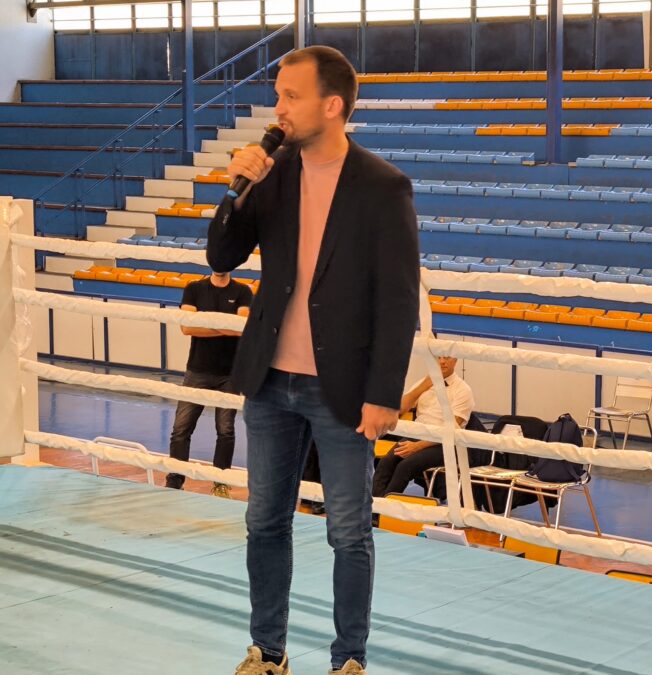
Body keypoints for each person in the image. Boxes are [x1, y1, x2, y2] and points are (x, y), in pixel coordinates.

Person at [206, 45, 420, 675]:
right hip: (270, 379)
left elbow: (398, 299)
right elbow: (221, 257)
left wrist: (384, 394)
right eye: (278, 95)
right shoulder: (273, 174)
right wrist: (235, 193)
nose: (278, 109)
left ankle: (348, 660)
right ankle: (267, 653)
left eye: (290, 96)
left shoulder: (382, 186)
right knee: (264, 523)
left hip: (345, 389)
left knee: (348, 531)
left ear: (332, 105)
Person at [165, 270, 253, 496]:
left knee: (225, 430)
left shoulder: (242, 291)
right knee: (181, 428)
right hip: (198, 370)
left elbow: (241, 328)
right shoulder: (194, 288)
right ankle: (175, 480)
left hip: (230, 374)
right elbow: (187, 327)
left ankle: (220, 482)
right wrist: (224, 326)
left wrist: (206, 323)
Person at [372, 356, 474, 498]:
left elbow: (451, 430)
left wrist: (418, 446)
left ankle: (386, 507)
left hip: (443, 444)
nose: (442, 361)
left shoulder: (463, 390)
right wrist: (423, 386)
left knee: (405, 466)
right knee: (385, 463)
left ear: (455, 360)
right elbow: (400, 409)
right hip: (417, 435)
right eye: (438, 357)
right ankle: (376, 506)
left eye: (447, 357)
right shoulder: (424, 382)